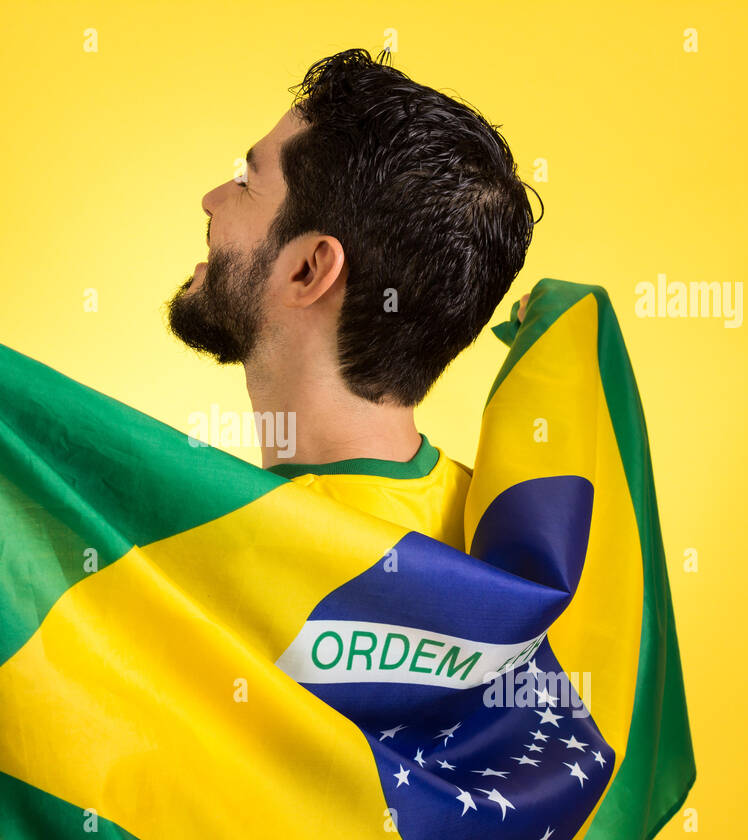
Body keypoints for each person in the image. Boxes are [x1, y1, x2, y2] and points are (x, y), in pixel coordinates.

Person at [164, 48, 539, 552]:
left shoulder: (213, 561)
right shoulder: (510, 554)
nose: (211, 200)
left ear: (308, 270)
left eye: (247, 182)